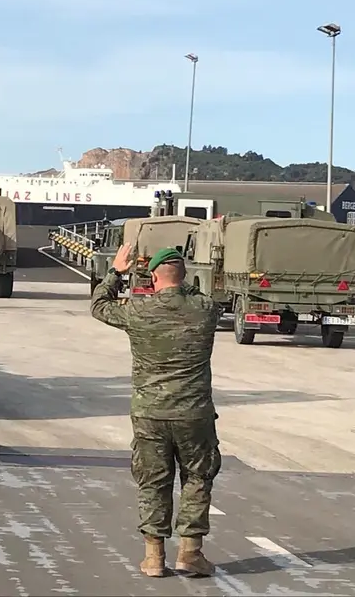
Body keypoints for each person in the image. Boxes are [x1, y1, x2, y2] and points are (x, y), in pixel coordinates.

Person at [90, 244, 220, 578]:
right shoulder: (205, 309)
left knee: (153, 481)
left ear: (152, 278)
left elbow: (99, 305)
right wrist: (177, 280)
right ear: (184, 274)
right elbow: (187, 289)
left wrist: (117, 271)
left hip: (150, 413)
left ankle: (153, 557)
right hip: (194, 413)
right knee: (197, 478)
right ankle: (191, 553)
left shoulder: (138, 310)